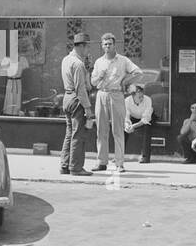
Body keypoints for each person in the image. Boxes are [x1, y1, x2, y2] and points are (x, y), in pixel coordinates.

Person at [90, 33, 143, 171]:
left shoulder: (123, 60)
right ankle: (102, 162)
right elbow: (93, 82)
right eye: (105, 44)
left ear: (114, 45)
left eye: (110, 43)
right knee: (101, 130)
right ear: (102, 46)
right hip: (102, 94)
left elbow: (138, 73)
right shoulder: (98, 62)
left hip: (116, 95)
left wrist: (125, 82)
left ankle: (119, 163)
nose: (107, 46)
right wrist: (100, 76)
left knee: (118, 130)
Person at [59, 33, 93, 176]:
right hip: (76, 99)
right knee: (78, 135)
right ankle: (76, 167)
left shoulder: (66, 59)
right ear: (82, 46)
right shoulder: (78, 64)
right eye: (87, 47)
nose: (88, 50)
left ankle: (65, 165)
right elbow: (81, 89)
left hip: (67, 98)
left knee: (69, 134)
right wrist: (88, 108)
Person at [124, 83, 154, 163]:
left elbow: (145, 119)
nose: (141, 98)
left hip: (146, 118)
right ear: (133, 96)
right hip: (133, 118)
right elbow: (126, 116)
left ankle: (145, 157)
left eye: (142, 96)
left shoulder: (148, 100)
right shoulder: (127, 101)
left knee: (147, 128)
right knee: (123, 129)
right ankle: (119, 155)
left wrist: (134, 126)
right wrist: (127, 126)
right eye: (139, 97)